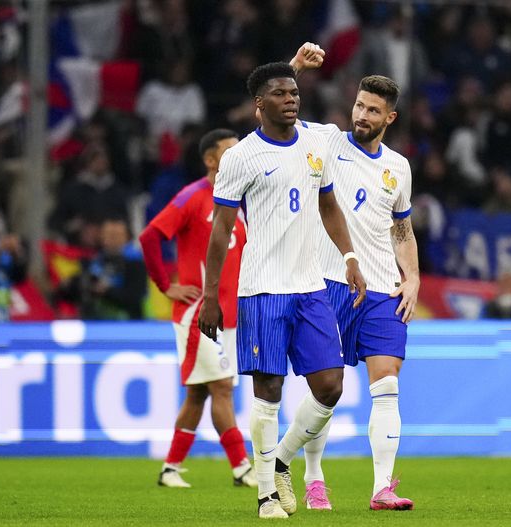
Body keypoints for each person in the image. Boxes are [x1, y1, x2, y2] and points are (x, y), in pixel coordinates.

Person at [197, 61, 366, 519]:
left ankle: (282, 460)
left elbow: (329, 204)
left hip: (311, 287)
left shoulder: (315, 142)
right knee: (268, 391)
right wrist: (211, 296)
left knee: (330, 386)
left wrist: (350, 258)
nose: (292, 98)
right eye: (280, 93)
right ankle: (267, 495)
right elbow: (221, 231)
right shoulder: (241, 157)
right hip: (262, 290)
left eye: (295, 92)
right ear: (259, 105)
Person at [289, 46, 417, 511]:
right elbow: (276, 114)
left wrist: (414, 278)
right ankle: (313, 476)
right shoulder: (326, 141)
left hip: (383, 288)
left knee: (387, 383)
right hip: (329, 282)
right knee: (326, 390)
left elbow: (402, 228)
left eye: (373, 110)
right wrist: (295, 69)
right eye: (360, 106)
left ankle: (383, 487)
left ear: (390, 117)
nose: (362, 115)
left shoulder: (398, 167)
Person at [138, 128, 256, 489]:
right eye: (230, 152)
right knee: (222, 387)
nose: (238, 158)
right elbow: (150, 236)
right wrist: (166, 285)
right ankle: (242, 468)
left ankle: (170, 468)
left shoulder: (238, 201)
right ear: (210, 160)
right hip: (199, 315)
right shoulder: (193, 196)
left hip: (231, 316)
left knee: (199, 392)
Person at [57, 217, 147, 320]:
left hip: (126, 324)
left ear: (126, 237)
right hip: (93, 323)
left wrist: (107, 291)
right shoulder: (93, 261)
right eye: (107, 234)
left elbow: (135, 297)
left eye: (115, 235)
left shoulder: (135, 263)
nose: (110, 239)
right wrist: (69, 286)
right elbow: (77, 293)